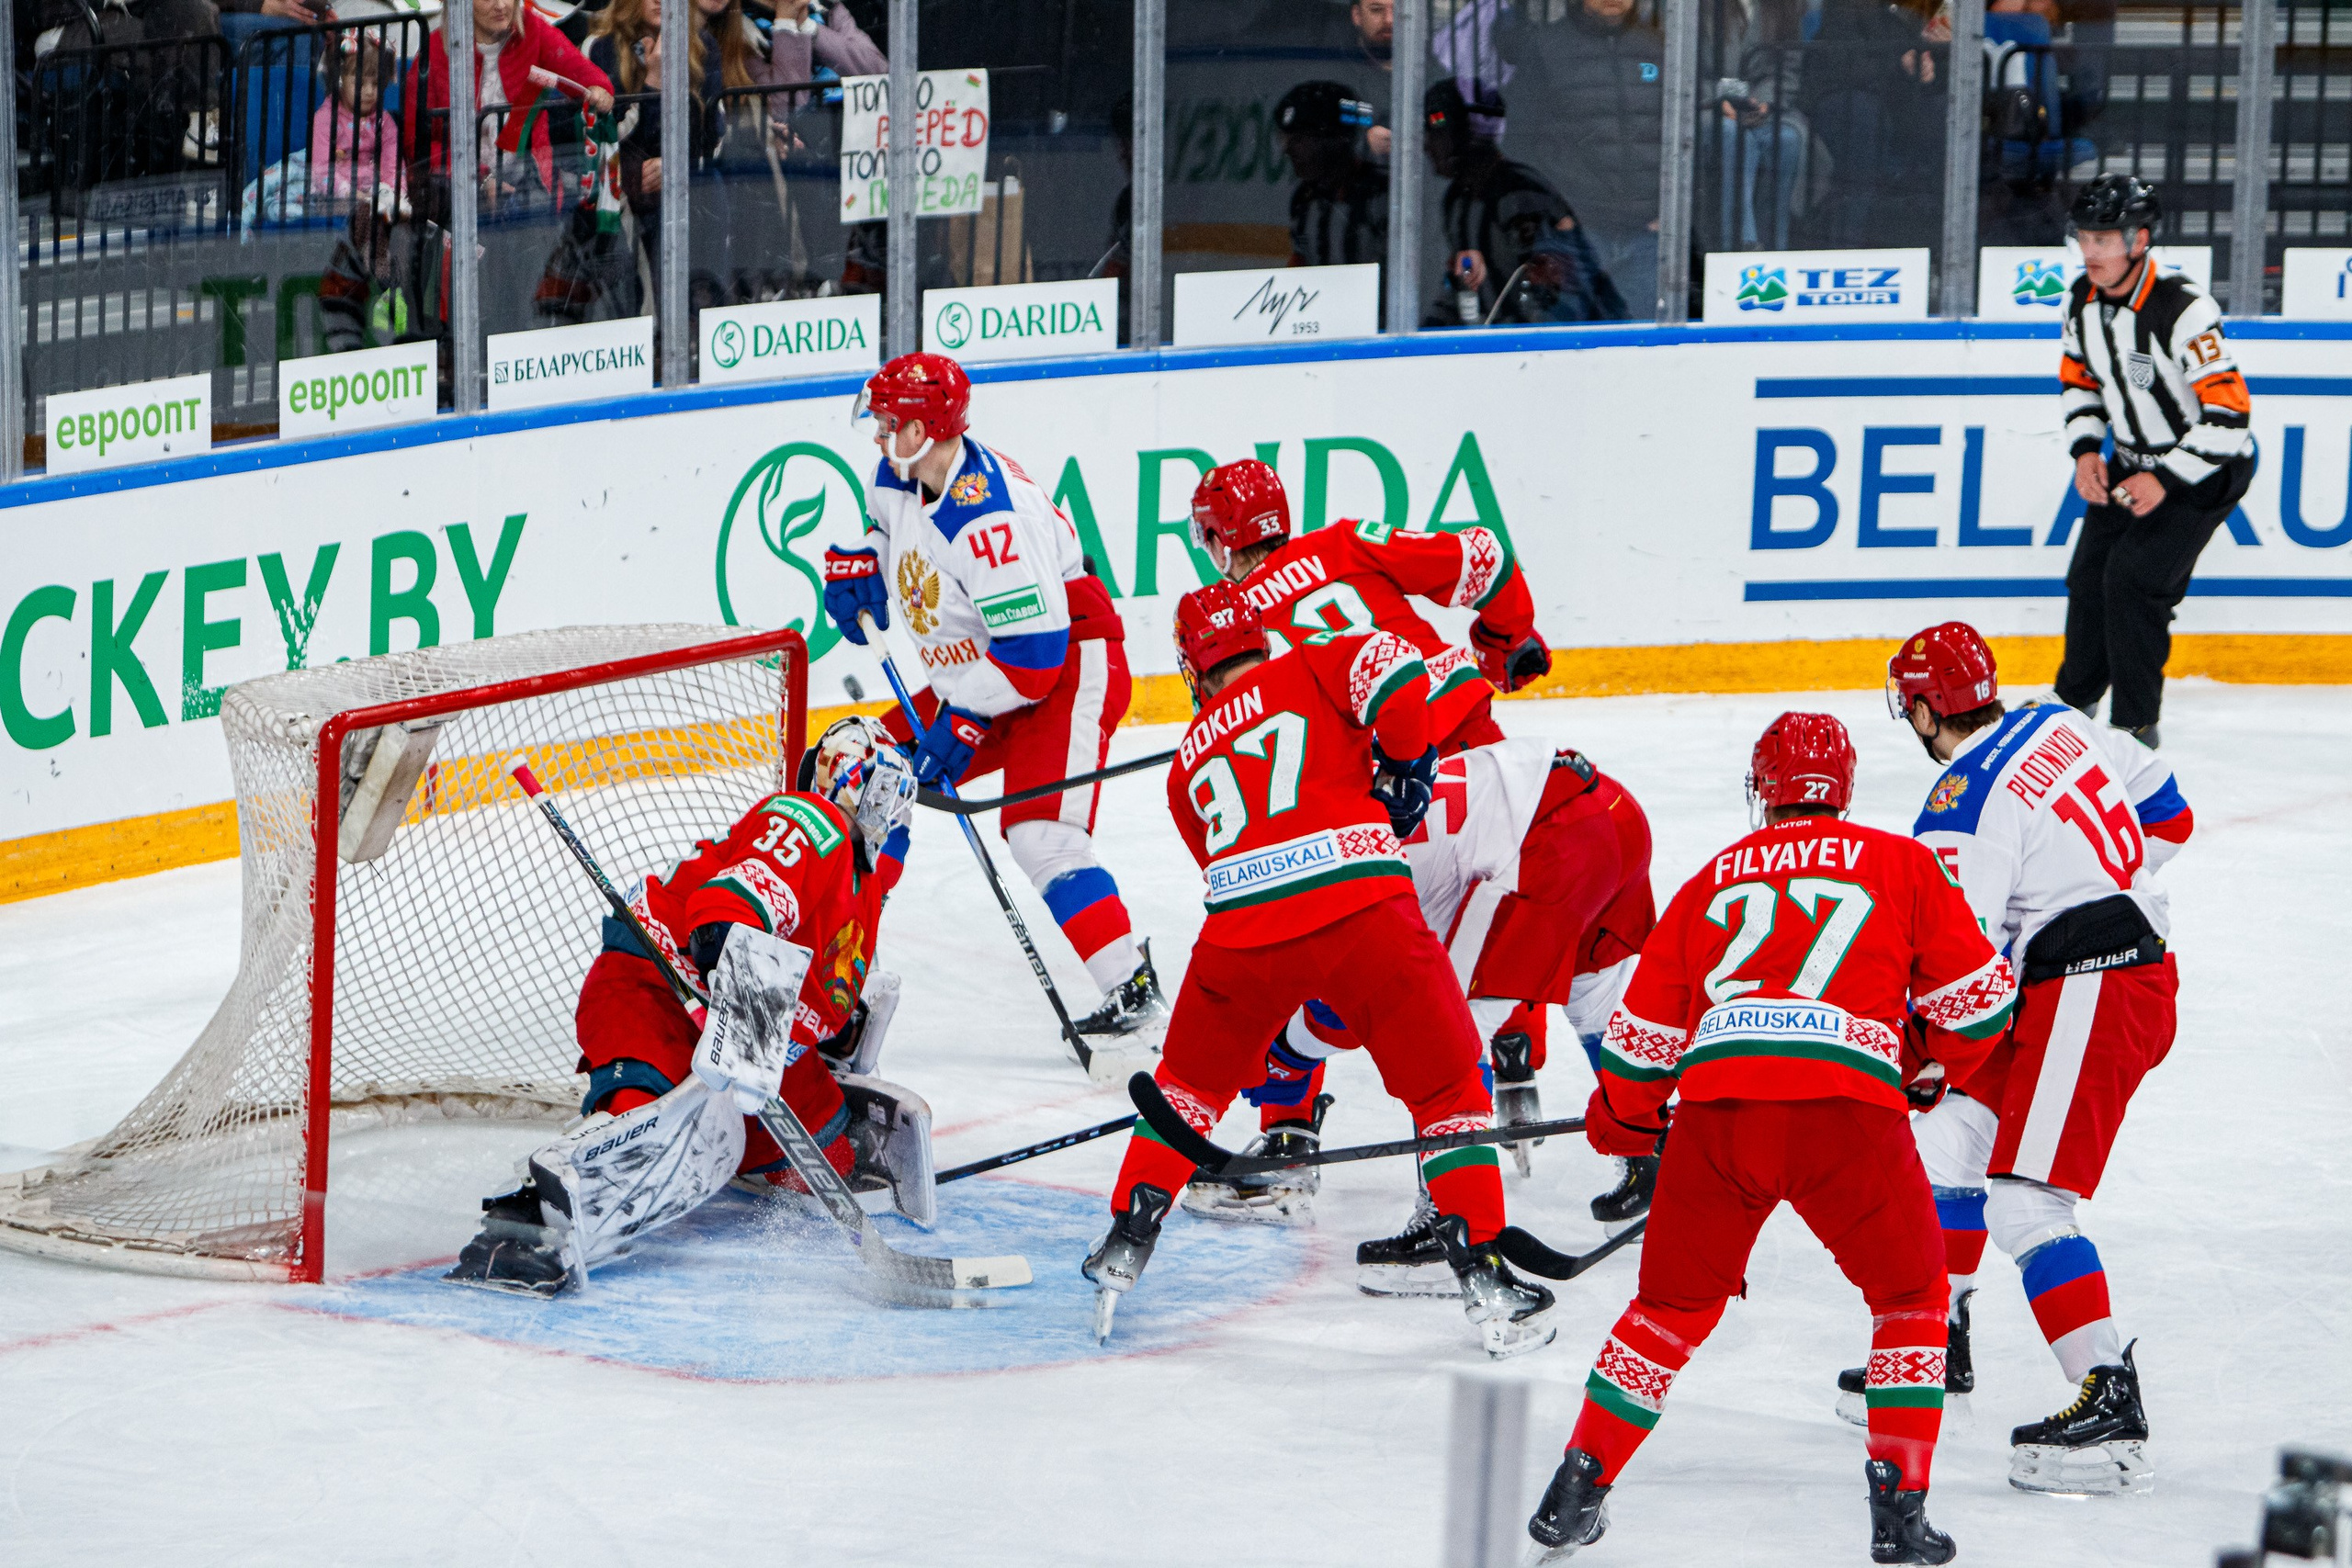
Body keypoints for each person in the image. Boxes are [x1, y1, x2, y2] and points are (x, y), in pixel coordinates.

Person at [1525, 712, 2017, 1566]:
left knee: (1667, 1313)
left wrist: (1626, 1119)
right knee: (1911, 1301)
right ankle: (1899, 1511)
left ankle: (1580, 1482)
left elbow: (1640, 1047)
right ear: (1846, 789)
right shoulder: (1900, 860)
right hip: (1850, 1118)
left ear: (1764, 788)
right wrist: (1926, 1061)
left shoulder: (1711, 878)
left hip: (1720, 1119)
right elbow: (1981, 1007)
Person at [1086, 581, 1558, 1360]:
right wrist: (1405, 771)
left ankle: (1126, 1239)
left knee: (1187, 1093)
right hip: (1362, 910)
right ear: (1259, 639)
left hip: (1239, 933)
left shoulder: (1185, 763)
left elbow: (1226, 859)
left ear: (1190, 670)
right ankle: (1485, 1275)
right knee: (1446, 1089)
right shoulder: (1315, 661)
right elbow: (1406, 683)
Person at [1859, 622, 2191, 1497]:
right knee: (1957, 1139)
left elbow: (1956, 974)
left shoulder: (1957, 805)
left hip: (2093, 986)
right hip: (2095, 973)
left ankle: (2109, 1394)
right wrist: (2093, 878)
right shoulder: (2058, 720)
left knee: (2026, 1200)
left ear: (1925, 707)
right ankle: (1939, 1342)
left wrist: (1900, 1056)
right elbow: (2170, 813)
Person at [447, 718, 920, 1296]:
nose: (897, 818)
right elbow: (729, 907)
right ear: (862, 790)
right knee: (641, 1126)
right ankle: (529, 1227)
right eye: (890, 797)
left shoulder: (865, 883)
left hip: (756, 1034)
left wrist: (830, 1036)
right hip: (659, 989)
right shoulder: (814, 823)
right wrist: (732, 956)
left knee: (829, 1156)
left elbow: (825, 989)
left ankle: (730, 1149)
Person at [1192, 735, 1657, 1285]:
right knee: (1597, 1006)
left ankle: (1449, 1223)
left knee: (1444, 1042)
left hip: (1550, 844)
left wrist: (1287, 1054)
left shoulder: (1344, 873)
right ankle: (1653, 1156)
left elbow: (1348, 1007)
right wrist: (1290, 1052)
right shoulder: (1348, 815)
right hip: (1614, 812)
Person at [822, 354, 1166, 1040]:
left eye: (890, 421)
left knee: (1044, 837)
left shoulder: (990, 522)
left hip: (1068, 664)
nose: (878, 433)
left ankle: (1131, 987)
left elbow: (1035, 660)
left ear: (924, 429)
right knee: (865, 775)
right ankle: (841, 979)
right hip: (987, 666)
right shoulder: (899, 470)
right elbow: (887, 527)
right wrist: (862, 558)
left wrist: (967, 719)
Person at [2053, 175, 2256, 749]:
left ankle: (2135, 727)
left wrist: (2165, 478)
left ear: (2139, 241)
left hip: (2206, 470)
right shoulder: (2080, 300)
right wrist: (2087, 449)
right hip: (2132, 462)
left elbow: (2231, 417)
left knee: (2136, 581)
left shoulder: (2184, 308)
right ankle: (2073, 706)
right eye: (2084, 238)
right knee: (2088, 578)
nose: (2090, 251)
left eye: (2104, 239)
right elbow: (2080, 381)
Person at [1189, 457, 1548, 759]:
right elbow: (1486, 558)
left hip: (1382, 778)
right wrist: (1502, 642)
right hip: (1456, 716)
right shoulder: (1345, 542)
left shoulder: (1232, 620)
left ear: (1219, 540)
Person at [1421, 79, 1623, 327]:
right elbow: (1462, 288)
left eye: (1438, 132)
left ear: (1468, 136)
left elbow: (1567, 296)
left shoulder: (1519, 194)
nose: (1427, 145)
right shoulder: (1455, 201)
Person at [407, 0, 614, 204]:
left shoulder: (533, 29)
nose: (501, 5)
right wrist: (480, 178)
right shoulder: (433, 51)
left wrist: (598, 88)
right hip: (457, 194)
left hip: (532, 188)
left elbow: (585, 74)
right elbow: (416, 144)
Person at [1273, 81, 1387, 271]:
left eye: (1300, 139)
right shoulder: (1304, 199)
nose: (1288, 150)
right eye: (1286, 139)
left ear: (1336, 139)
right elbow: (1300, 266)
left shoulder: (1380, 196)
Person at [310, 32, 401, 204]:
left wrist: (393, 195)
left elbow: (393, 164)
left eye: (375, 84)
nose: (369, 91)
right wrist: (349, 194)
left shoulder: (384, 121)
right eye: (360, 84)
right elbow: (321, 169)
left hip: (373, 192)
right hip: (334, 195)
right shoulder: (325, 118)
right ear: (340, 79)